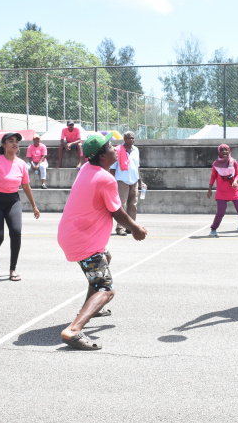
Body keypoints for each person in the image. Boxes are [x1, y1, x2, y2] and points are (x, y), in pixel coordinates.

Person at [57, 133, 147, 350]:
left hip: (72, 235)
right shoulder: (105, 178)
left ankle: (90, 310)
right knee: (106, 288)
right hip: (83, 241)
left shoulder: (87, 170)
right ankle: (74, 330)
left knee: (105, 257)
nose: (115, 147)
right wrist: (135, 228)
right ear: (102, 155)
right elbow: (117, 212)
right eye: (110, 146)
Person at [0, 132, 40, 281]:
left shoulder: (21, 164)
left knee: (15, 232)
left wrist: (34, 206)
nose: (15, 143)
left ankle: (13, 269)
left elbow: (26, 186)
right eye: (11, 141)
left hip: (13, 201)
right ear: (3, 145)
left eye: (16, 141)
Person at [207, 144, 238, 237]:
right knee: (221, 212)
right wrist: (210, 189)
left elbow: (237, 174)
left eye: (226, 150)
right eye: (222, 150)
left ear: (229, 151)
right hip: (221, 191)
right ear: (219, 152)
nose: (224, 152)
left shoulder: (234, 162)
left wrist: (235, 181)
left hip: (234, 190)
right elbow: (213, 177)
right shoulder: (216, 164)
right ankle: (213, 229)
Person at [110, 131, 146, 236]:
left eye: (133, 138)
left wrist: (141, 181)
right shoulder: (118, 150)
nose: (131, 140)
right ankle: (120, 228)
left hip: (134, 181)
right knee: (121, 205)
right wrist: (111, 182)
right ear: (124, 139)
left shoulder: (136, 150)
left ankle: (131, 227)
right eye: (129, 138)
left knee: (133, 204)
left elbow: (137, 167)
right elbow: (112, 168)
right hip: (122, 181)